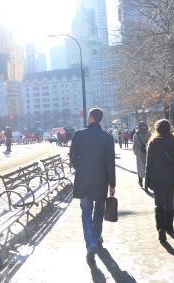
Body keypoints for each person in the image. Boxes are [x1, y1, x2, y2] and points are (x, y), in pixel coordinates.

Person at [70, 108, 116, 265]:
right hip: (101, 180)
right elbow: (110, 163)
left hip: (83, 180)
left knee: (85, 212)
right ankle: (96, 237)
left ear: (90, 117)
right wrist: (112, 184)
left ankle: (90, 243)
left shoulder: (78, 135)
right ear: (100, 119)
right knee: (99, 210)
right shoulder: (107, 138)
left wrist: (81, 169)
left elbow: (72, 157)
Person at [146, 119, 174, 243]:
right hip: (172, 177)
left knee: (159, 204)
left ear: (157, 128)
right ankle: (170, 227)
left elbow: (149, 163)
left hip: (157, 178)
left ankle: (161, 229)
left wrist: (147, 179)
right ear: (169, 128)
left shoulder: (153, 142)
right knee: (169, 203)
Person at [133, 121, 151, 190]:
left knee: (140, 167)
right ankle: (146, 184)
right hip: (148, 153)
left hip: (140, 154)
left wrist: (136, 153)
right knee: (148, 168)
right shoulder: (150, 134)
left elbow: (134, 146)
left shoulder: (136, 135)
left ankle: (140, 181)